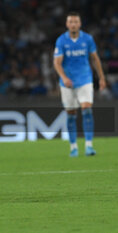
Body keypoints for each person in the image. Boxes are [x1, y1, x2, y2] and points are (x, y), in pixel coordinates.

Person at [53, 12, 106, 157]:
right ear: (67, 24)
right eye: (71, 22)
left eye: (76, 21)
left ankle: (89, 146)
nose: (73, 24)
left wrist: (101, 77)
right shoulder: (61, 41)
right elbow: (57, 63)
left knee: (87, 109)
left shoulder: (88, 39)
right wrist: (64, 77)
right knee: (71, 114)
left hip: (85, 79)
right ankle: (73, 147)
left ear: (80, 24)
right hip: (68, 82)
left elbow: (95, 59)